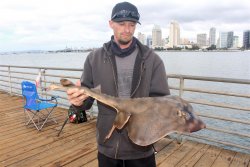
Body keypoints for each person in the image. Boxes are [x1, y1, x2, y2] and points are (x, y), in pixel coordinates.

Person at [66, 1, 170, 167]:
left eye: (132, 24)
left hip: (142, 147)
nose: (127, 29)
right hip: (108, 145)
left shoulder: (152, 60)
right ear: (111, 24)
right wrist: (77, 101)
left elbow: (162, 102)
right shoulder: (94, 59)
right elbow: (86, 100)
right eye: (121, 24)